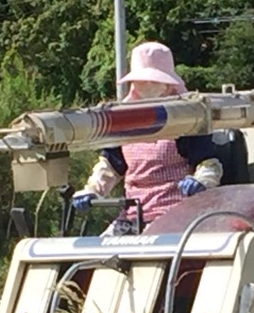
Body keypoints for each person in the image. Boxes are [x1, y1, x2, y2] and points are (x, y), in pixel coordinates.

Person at [71, 41, 223, 232]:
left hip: (177, 218)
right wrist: (92, 190)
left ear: (169, 84)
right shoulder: (126, 121)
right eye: (142, 81)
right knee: (97, 256)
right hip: (131, 219)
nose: (148, 86)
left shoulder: (186, 122)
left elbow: (209, 164)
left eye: (155, 81)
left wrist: (201, 181)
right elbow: (109, 166)